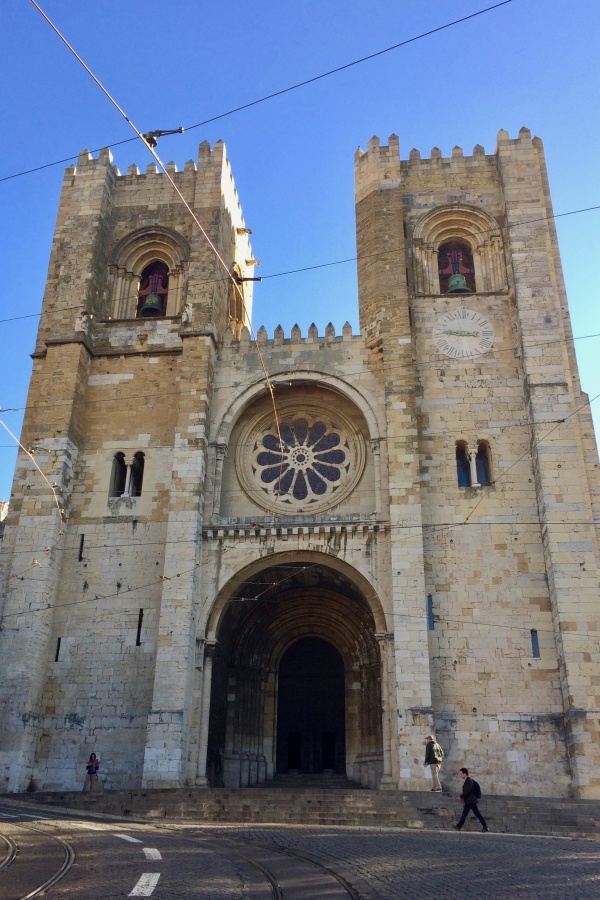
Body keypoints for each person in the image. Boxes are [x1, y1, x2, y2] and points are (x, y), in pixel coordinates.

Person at [453, 767, 489, 831]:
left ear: (465, 774)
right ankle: (459, 826)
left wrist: (461, 796)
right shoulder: (467, 781)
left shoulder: (468, 781)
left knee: (477, 814)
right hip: (469, 801)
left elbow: (467, 791)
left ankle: (485, 827)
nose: (460, 775)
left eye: (461, 774)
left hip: (471, 801)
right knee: (465, 814)